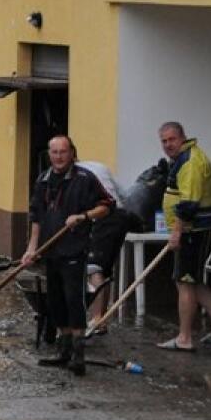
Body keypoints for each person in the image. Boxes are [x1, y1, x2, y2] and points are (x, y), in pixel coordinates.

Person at [24, 135, 113, 376]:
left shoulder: (85, 179)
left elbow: (106, 205)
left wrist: (83, 217)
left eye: (63, 152)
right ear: (49, 154)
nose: (59, 156)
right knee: (55, 300)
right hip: (50, 250)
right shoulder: (43, 180)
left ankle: (78, 354)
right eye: (54, 152)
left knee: (74, 298)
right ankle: (63, 351)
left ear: (72, 152)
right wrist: (32, 248)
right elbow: (36, 216)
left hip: (74, 248)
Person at [156, 121, 211, 352]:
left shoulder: (190, 162)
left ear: (182, 137)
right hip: (194, 230)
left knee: (185, 282)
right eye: (164, 141)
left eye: (172, 139)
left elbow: (188, 204)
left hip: (193, 231)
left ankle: (184, 337)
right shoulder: (185, 157)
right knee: (194, 280)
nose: (168, 144)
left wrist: (177, 232)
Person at [76, 159, 132, 336]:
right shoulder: (98, 166)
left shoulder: (75, 176)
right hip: (121, 217)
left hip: (104, 217)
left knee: (93, 268)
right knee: (104, 270)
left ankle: (98, 319)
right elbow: (124, 195)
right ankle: (101, 319)